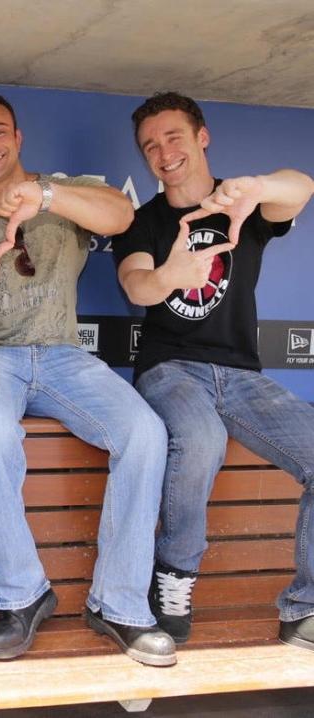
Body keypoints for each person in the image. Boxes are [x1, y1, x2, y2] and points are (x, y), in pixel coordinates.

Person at [0, 92, 175, 667]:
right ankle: (20, 596)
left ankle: (119, 604)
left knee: (145, 432)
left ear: (18, 139)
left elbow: (122, 214)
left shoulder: (62, 193)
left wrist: (45, 194)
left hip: (64, 356)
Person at [113, 91, 314, 647]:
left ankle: (305, 609)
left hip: (242, 376)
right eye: (150, 145)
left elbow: (301, 187)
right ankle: (173, 576)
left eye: (174, 136)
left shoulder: (241, 206)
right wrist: (168, 276)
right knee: (200, 440)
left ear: (202, 137)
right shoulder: (145, 221)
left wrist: (258, 188)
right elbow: (135, 283)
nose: (163, 151)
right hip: (169, 368)